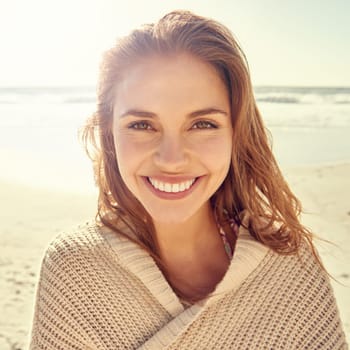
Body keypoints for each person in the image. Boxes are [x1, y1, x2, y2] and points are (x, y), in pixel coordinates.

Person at [29, 10, 348, 349]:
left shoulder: (287, 265)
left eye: (202, 124)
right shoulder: (74, 268)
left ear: (236, 133)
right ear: (109, 134)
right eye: (141, 125)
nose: (172, 159)